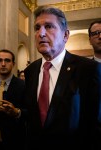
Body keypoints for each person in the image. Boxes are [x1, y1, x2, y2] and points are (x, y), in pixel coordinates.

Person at [23, 6, 101, 150]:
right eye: (37, 27)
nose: (41, 33)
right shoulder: (30, 71)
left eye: (49, 26)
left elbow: (95, 125)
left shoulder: (88, 69)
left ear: (65, 35)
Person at [0, 49, 26, 150]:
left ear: (13, 64)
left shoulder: (23, 86)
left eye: (7, 60)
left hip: (15, 140)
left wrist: (17, 112)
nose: (3, 64)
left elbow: (31, 112)